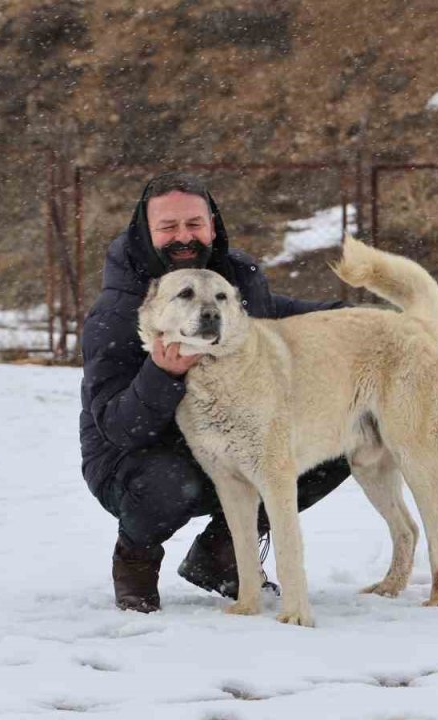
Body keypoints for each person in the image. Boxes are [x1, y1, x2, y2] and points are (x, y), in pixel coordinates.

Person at [79, 171, 352, 613]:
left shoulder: (236, 276)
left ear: (212, 224)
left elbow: (277, 312)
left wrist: (350, 320)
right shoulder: (118, 308)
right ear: (146, 232)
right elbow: (116, 426)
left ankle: (221, 551)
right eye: (168, 227)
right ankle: (136, 558)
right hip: (136, 456)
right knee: (173, 483)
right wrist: (161, 374)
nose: (182, 237)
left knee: (331, 443)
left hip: (227, 437)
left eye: (194, 224)